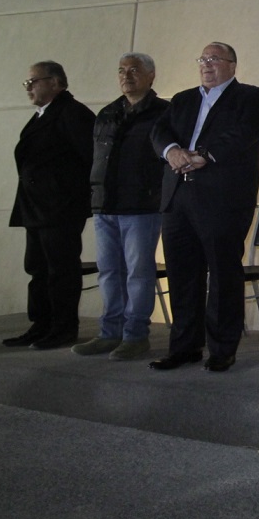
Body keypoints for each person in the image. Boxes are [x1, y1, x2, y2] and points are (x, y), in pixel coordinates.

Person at [148, 43, 259, 373]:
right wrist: (172, 151)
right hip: (177, 199)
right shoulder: (183, 99)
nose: (207, 64)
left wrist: (204, 154)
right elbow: (159, 131)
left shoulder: (251, 97)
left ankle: (221, 349)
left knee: (222, 275)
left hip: (222, 200)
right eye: (202, 59)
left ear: (232, 64)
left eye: (214, 59)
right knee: (182, 275)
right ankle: (184, 347)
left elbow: (245, 133)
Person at [72, 53, 170, 362]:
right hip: (105, 205)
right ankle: (109, 333)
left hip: (142, 206)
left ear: (151, 76)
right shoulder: (107, 113)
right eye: (121, 71)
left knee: (138, 274)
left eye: (134, 70)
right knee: (109, 272)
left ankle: (135, 336)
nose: (126, 75)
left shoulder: (163, 112)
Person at [4, 61, 95, 350]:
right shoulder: (43, 116)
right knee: (38, 268)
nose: (29, 87)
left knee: (61, 270)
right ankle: (41, 324)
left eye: (35, 81)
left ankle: (63, 327)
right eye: (27, 83)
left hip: (60, 209)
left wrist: (64, 195)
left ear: (56, 82)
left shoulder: (72, 114)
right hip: (36, 208)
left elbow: (89, 160)